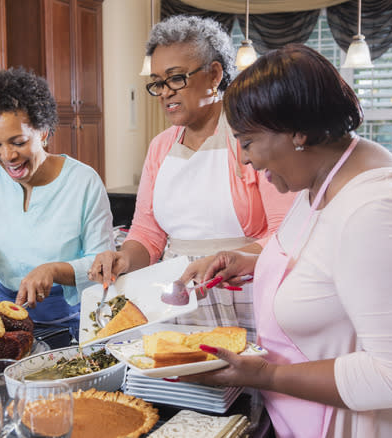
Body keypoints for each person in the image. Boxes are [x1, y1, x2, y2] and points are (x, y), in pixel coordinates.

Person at [179, 44, 392, 437]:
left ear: (298, 131)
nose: (246, 161)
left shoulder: (378, 211)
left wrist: (267, 375)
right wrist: (252, 262)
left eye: (248, 142)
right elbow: (327, 259)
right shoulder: (327, 176)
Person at [89, 16, 294, 339]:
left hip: (247, 297)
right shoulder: (161, 147)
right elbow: (148, 232)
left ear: (214, 74)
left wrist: (230, 259)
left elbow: (287, 233)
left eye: (176, 79)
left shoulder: (251, 138)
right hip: (176, 299)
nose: (164, 92)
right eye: (157, 82)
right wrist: (123, 258)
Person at [0, 68, 113, 339]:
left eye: (19, 142)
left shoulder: (83, 181)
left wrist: (52, 270)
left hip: (73, 322)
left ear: (44, 132)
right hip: (6, 322)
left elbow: (101, 265)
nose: (7, 155)